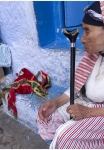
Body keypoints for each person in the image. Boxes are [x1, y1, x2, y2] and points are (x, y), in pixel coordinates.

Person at [37, 1, 104, 149]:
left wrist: (89, 112)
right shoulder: (95, 55)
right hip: (88, 103)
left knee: (66, 135)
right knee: (48, 119)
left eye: (87, 31)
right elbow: (78, 86)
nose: (82, 39)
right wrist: (56, 102)